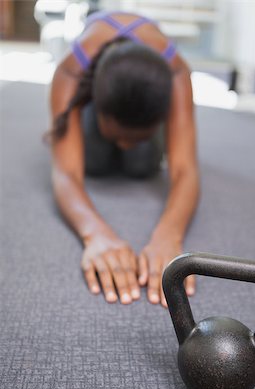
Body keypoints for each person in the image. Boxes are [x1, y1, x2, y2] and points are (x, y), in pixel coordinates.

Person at [48, 10, 200, 308]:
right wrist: (96, 235)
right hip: (94, 84)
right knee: (95, 160)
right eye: (120, 136)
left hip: (147, 84)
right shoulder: (71, 68)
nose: (127, 145)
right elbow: (65, 173)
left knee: (141, 164)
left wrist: (168, 236)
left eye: (137, 137)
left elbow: (185, 169)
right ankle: (107, 136)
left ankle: (133, 138)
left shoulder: (177, 71)